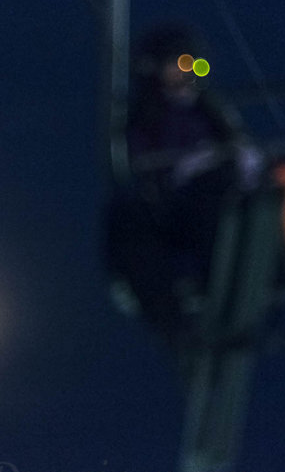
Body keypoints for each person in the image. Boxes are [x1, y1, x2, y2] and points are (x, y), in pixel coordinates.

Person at [106, 24, 263, 355]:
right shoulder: (147, 116)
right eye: (178, 65)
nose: (186, 75)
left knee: (217, 201)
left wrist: (225, 162)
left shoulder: (211, 112)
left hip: (218, 197)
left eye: (195, 66)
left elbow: (244, 153)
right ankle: (176, 323)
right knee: (126, 223)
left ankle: (227, 300)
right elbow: (143, 162)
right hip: (173, 204)